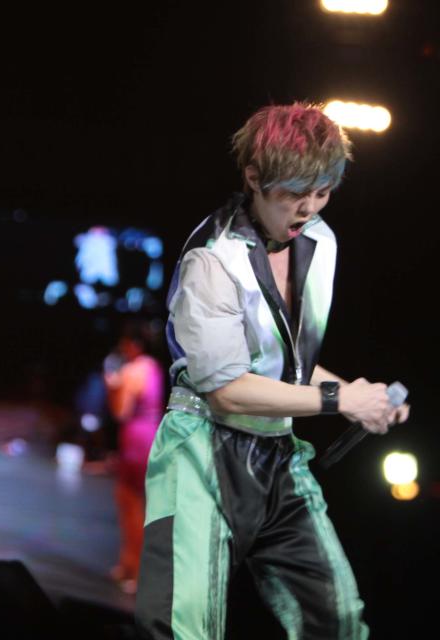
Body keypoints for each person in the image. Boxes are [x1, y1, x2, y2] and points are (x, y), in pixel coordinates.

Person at [134, 103, 410, 639]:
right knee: (181, 626)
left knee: (335, 619)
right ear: (254, 178)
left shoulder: (321, 242)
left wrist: (358, 393)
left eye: (322, 192)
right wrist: (340, 402)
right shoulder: (212, 259)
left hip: (277, 456)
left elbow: (290, 366)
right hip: (203, 450)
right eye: (292, 193)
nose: (308, 208)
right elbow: (228, 392)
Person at [103, 320, 164, 594]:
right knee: (138, 504)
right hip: (152, 435)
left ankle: (135, 571)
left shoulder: (130, 371)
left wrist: (111, 387)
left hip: (135, 439)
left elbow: (120, 412)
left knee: (130, 506)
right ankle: (128, 564)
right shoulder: (153, 367)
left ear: (133, 345)